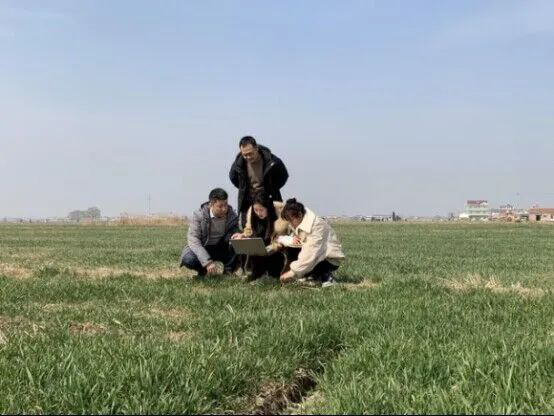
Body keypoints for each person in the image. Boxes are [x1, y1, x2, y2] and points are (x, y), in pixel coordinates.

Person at [279, 198, 345, 287]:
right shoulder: (299, 223)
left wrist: (292, 272)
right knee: (290, 249)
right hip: (313, 257)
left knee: (312, 259)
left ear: (300, 214)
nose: (290, 224)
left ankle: (326, 277)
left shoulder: (317, 226)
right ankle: (312, 276)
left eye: (291, 220)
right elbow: (280, 238)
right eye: (288, 221)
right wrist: (290, 239)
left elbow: (311, 253)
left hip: (328, 259)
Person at [229, 136, 289, 227]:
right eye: (245, 155)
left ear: (256, 148)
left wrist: (271, 188)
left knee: (273, 227)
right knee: (248, 228)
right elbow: (233, 177)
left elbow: (283, 176)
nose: (248, 157)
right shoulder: (238, 163)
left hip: (268, 199)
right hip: (248, 200)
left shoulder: (272, 160)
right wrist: (245, 188)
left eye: (250, 153)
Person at [180, 188, 239, 276]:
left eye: (226, 205)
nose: (224, 209)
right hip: (203, 247)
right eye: (220, 206)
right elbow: (193, 240)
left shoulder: (232, 215)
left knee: (240, 244)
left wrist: (238, 234)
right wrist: (207, 262)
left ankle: (228, 271)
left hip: (222, 247)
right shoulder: (199, 215)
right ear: (211, 204)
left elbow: (237, 231)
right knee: (188, 259)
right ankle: (204, 271)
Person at [231, 192, 290, 280]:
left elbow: (281, 240)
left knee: (273, 272)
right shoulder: (252, 213)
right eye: (256, 210)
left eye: (261, 210)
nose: (258, 213)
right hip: (258, 252)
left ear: (268, 208)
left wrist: (268, 250)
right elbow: (249, 230)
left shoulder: (280, 216)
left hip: (275, 252)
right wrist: (242, 235)